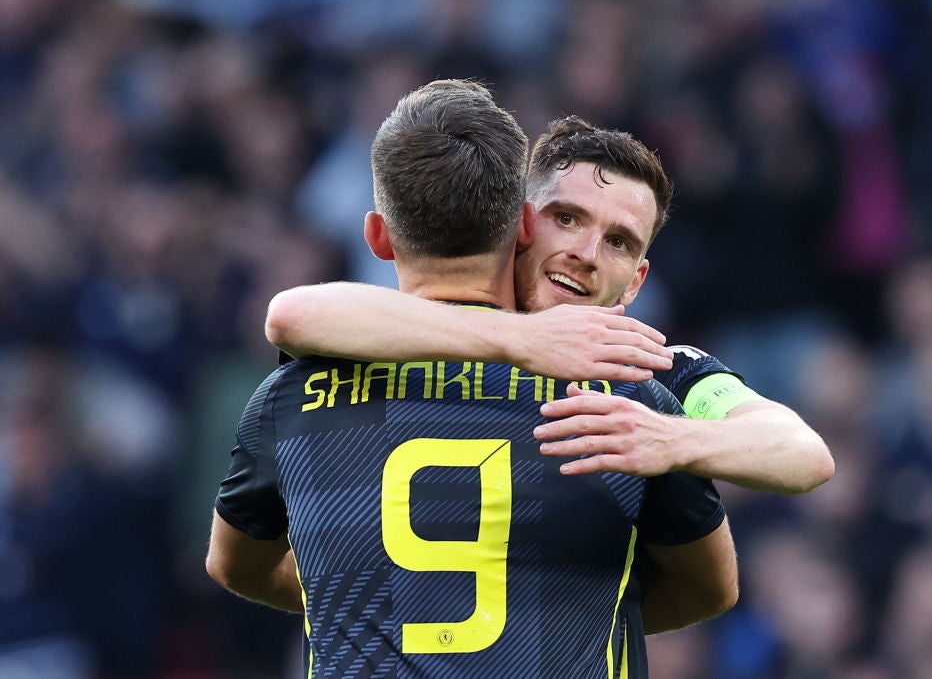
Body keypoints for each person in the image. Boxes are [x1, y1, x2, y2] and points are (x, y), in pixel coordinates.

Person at [206, 80, 737, 678]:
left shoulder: (290, 399)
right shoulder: (622, 400)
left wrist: (367, 604)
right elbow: (711, 588)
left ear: (378, 238)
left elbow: (235, 566)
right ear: (525, 228)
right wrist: (564, 610)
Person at [265, 116, 835, 495]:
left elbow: (803, 452)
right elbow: (293, 315)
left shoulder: (654, 372)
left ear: (635, 282)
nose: (587, 254)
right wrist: (520, 341)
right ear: (521, 224)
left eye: (618, 242)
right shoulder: (418, 328)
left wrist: (671, 438)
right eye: (568, 218)